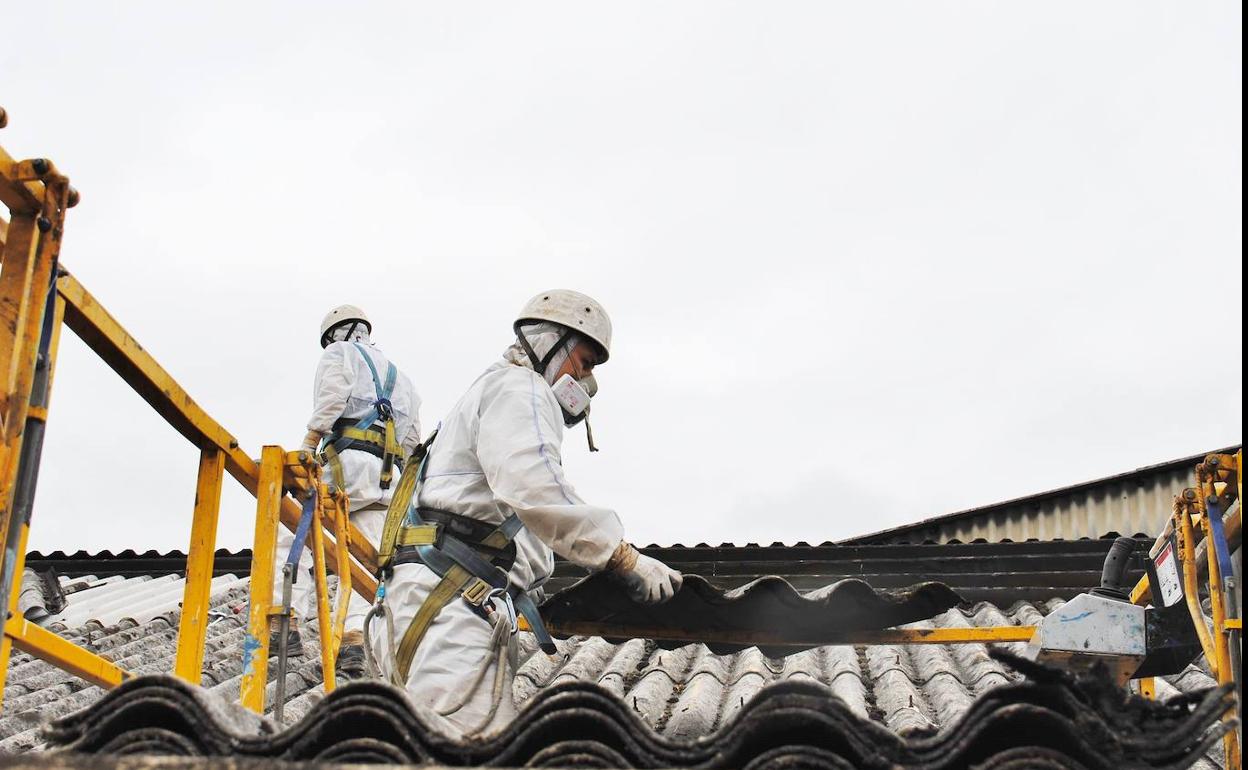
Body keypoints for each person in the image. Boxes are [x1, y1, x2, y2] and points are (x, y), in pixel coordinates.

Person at [370, 289, 681, 736]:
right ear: (549, 343)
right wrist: (621, 555)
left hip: (427, 603)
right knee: (460, 755)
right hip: (451, 615)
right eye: (585, 362)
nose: (586, 381)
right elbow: (535, 485)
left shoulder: (491, 390)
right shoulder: (521, 388)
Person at [272, 304, 421, 680]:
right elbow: (412, 438)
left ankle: (282, 618)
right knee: (362, 561)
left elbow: (333, 396)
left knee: (288, 525)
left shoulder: (339, 354)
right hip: (386, 482)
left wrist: (309, 442)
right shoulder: (401, 378)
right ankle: (354, 637)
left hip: (346, 468)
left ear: (334, 335)